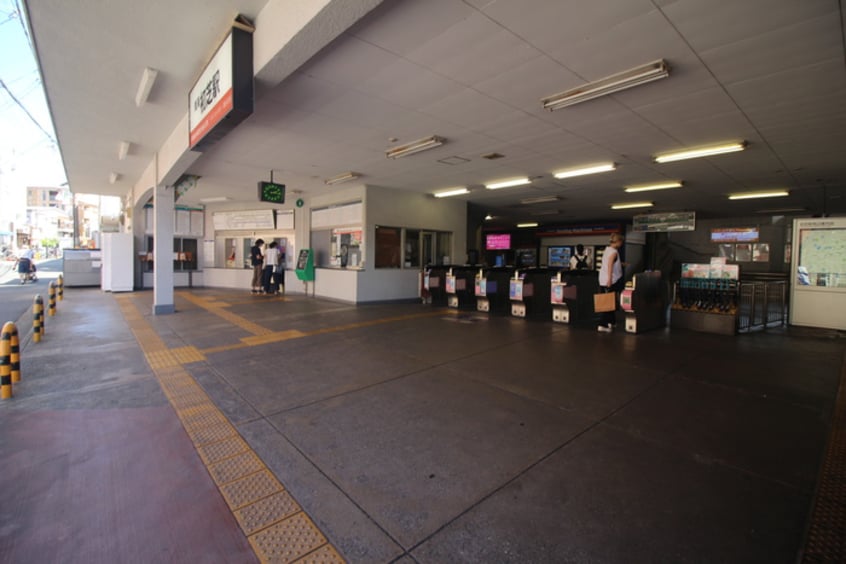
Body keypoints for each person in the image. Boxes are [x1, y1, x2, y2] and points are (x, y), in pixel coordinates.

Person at [597, 233, 625, 332]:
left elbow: (610, 263)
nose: (622, 244)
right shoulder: (614, 252)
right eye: (621, 242)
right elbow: (610, 266)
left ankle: (611, 322)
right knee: (607, 303)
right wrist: (609, 280)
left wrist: (621, 264)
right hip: (611, 280)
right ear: (618, 242)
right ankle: (602, 324)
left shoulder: (607, 250)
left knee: (610, 300)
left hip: (603, 279)